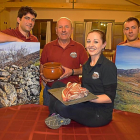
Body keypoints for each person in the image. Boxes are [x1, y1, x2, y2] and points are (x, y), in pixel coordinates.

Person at [45, 29, 117, 129]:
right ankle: (55, 115)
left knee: (61, 106)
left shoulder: (108, 66)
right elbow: (85, 87)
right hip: (85, 102)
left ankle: (60, 113)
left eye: (96, 42)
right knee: (56, 86)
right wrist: (76, 91)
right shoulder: (86, 65)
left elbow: (109, 98)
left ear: (103, 44)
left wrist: (87, 97)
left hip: (99, 113)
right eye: (88, 41)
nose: (91, 45)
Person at [40, 17, 88, 106]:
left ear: (72, 30)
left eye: (66, 27)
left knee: (71, 119)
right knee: (48, 118)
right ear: (56, 30)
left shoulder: (79, 48)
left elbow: (88, 69)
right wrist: (43, 77)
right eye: (60, 27)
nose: (63, 30)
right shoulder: (48, 47)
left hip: (72, 94)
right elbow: (42, 68)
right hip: (50, 92)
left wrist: (72, 72)